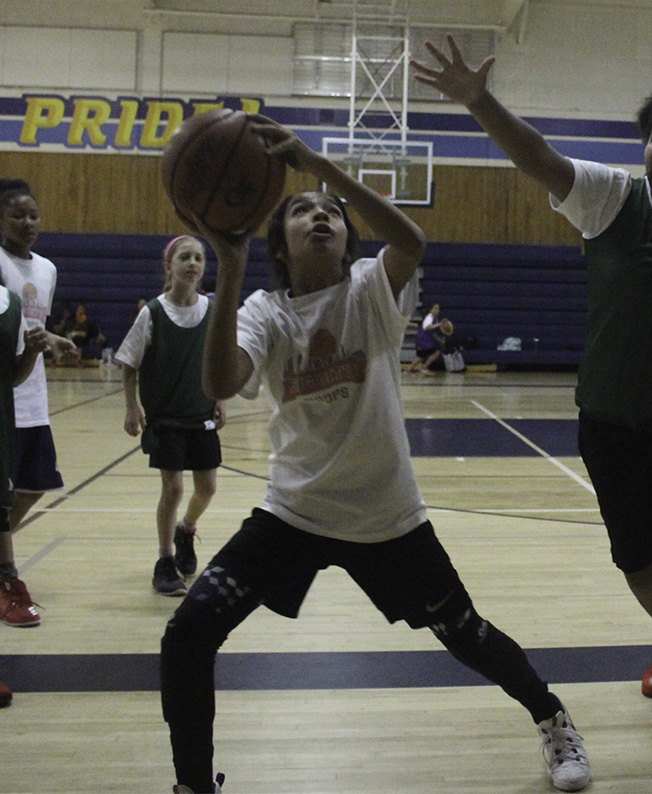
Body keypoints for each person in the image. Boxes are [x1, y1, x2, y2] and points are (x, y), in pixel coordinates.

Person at [159, 117, 590, 794]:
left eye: (331, 210)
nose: (320, 215)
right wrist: (231, 263)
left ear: (348, 233)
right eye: (302, 210)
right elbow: (221, 383)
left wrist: (318, 167)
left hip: (387, 517)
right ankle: (193, 784)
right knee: (187, 633)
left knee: (467, 634)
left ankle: (553, 718)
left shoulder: (369, 286)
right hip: (293, 513)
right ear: (281, 241)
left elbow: (411, 239)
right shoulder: (265, 310)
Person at [411, 33, 652, 700]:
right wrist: (480, 102)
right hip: (616, 422)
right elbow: (539, 158)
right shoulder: (617, 199)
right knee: (637, 563)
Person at [115, 236, 226, 597]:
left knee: (207, 488)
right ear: (169, 266)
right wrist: (132, 407)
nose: (192, 263)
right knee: (173, 487)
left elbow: (218, 360)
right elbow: (129, 363)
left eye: (198, 257)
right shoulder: (153, 312)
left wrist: (221, 398)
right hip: (165, 418)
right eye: (184, 257)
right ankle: (164, 560)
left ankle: (187, 530)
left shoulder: (212, 311)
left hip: (201, 414)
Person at [0, 179, 79, 626]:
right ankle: (7, 575)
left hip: (32, 391)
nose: (28, 223)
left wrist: (52, 339)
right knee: (3, 491)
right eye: (17, 215)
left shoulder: (46, 269)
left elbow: (30, 326)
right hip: (3, 388)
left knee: (34, 484)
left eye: (33, 215)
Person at [0, 278, 48, 700]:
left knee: (7, 504)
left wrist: (34, 349)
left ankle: (6, 578)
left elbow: (10, 374)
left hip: (6, 420)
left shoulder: (9, 301)